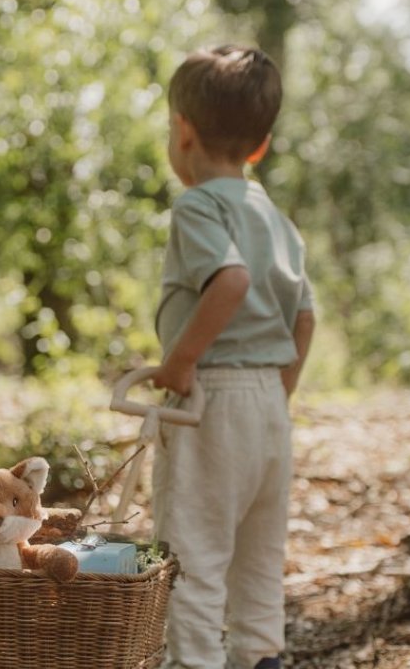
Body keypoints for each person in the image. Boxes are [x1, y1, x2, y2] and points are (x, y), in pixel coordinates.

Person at [150, 46, 315, 669]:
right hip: (270, 402)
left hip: (210, 400)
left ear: (183, 132)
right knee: (257, 556)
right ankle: (260, 657)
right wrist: (280, 392)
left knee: (190, 558)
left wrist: (180, 363)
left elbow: (231, 281)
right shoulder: (276, 218)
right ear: (260, 145)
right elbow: (305, 315)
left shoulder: (197, 205)